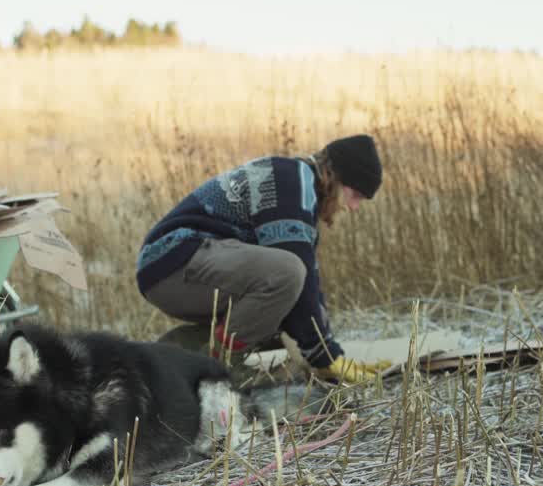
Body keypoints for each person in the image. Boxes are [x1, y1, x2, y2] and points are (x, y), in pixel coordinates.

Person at [135, 134, 390, 384]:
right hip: (175, 259)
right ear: (334, 176)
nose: (354, 207)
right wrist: (325, 357)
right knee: (288, 274)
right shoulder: (292, 179)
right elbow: (295, 272)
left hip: (172, 270)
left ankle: (182, 353)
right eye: (355, 194)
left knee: (279, 305)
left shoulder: (302, 197)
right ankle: (219, 369)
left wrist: (332, 355)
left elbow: (308, 288)